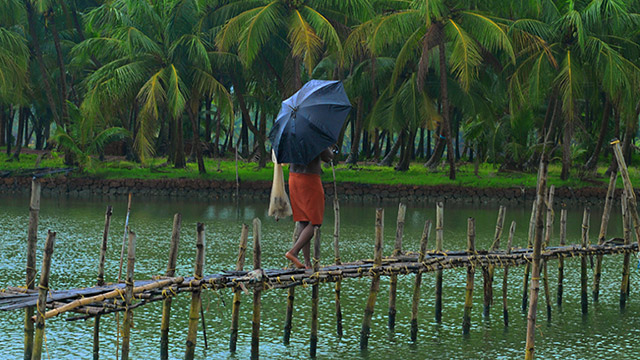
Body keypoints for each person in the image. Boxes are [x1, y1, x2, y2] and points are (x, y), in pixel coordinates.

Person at [285, 147, 335, 269]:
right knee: (316, 222)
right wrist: (329, 145)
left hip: (294, 178)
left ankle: (307, 263)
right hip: (310, 180)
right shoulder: (315, 137)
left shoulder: (292, 138)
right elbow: (329, 156)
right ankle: (293, 252)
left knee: (303, 220)